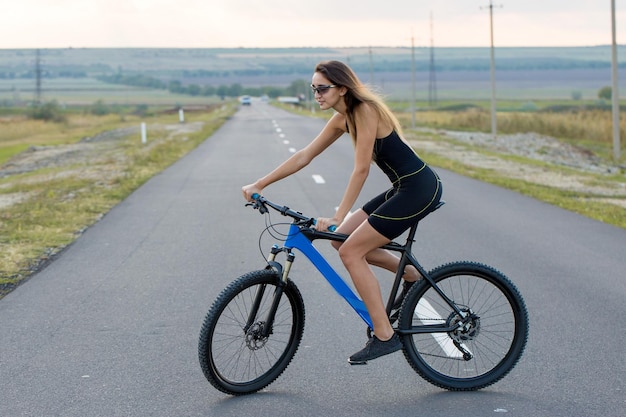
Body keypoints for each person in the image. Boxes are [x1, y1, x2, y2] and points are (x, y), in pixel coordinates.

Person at [242, 60, 442, 364]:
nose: (316, 95)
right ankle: (412, 275)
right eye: (313, 89)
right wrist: (261, 182)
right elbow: (304, 156)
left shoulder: (365, 111)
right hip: (402, 187)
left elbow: (361, 169)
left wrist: (339, 217)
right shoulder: (341, 118)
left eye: (322, 88)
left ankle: (384, 335)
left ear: (342, 88)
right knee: (340, 242)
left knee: (350, 252)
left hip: (420, 188)